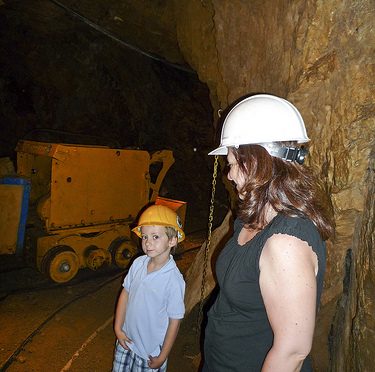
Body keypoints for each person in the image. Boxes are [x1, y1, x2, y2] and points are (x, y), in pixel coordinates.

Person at [202, 94, 334, 372]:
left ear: (258, 162)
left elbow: (292, 351)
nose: (229, 174)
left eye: (234, 163)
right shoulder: (251, 219)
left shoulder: (285, 243)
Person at [112, 204, 186, 372]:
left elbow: (174, 321)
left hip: (150, 352)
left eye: (155, 237)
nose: (148, 243)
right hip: (126, 341)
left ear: (172, 240)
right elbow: (125, 293)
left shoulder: (173, 280)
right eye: (144, 237)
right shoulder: (138, 263)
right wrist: (118, 328)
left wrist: (163, 356)